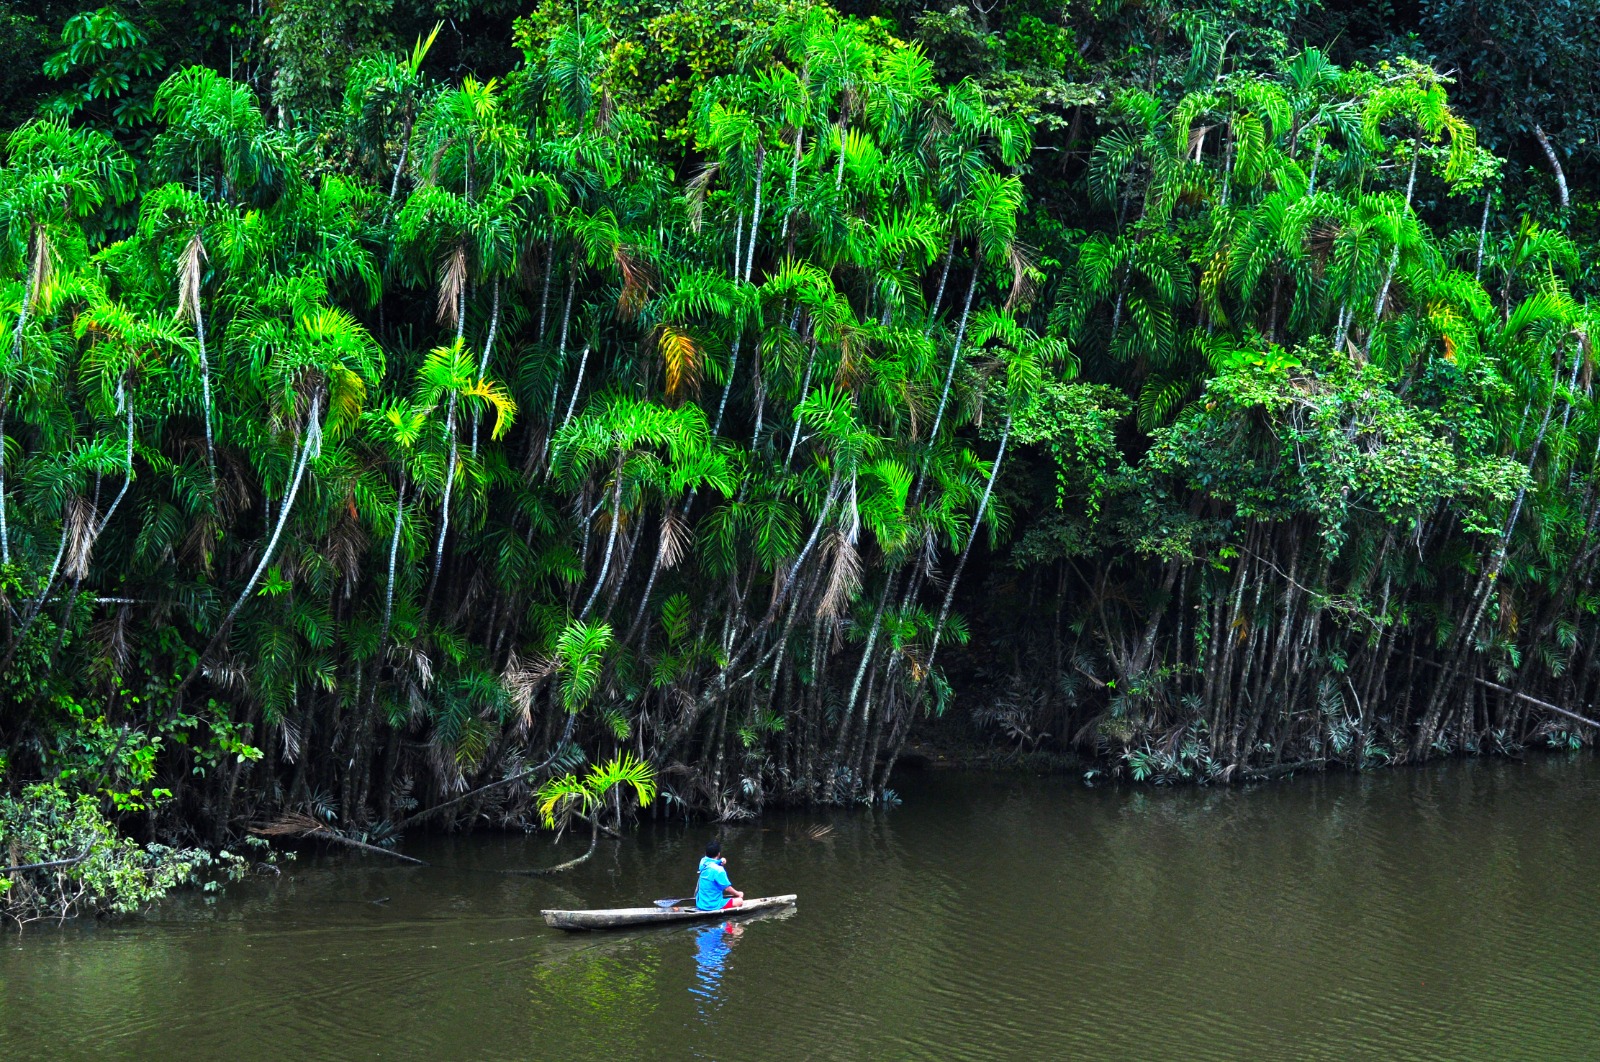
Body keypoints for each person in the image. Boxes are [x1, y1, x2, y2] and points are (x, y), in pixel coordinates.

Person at [695, 840, 743, 911]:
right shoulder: (719, 870)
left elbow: (712, 862)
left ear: (706, 853)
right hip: (712, 906)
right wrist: (738, 894)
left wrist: (721, 861)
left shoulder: (703, 862)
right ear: (718, 854)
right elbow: (727, 888)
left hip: (700, 904)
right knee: (740, 901)